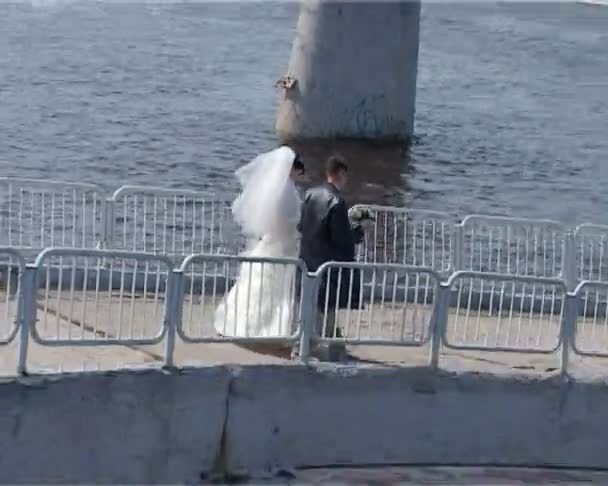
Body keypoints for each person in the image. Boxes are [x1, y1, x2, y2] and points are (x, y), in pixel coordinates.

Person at [214, 146, 304, 339]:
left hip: (271, 243)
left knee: (257, 285)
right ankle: (272, 329)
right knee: (274, 289)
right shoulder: (287, 192)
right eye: (297, 170)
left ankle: (244, 325)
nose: (298, 174)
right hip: (282, 245)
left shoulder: (277, 189)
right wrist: (299, 228)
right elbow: (287, 220)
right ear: (290, 169)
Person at [298, 155, 363, 339]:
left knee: (308, 303)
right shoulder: (337, 202)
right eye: (345, 175)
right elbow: (342, 238)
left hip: (307, 258)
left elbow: (302, 225)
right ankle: (321, 342)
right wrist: (358, 232)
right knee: (326, 307)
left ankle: (308, 339)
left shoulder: (310, 194)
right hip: (327, 265)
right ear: (340, 173)